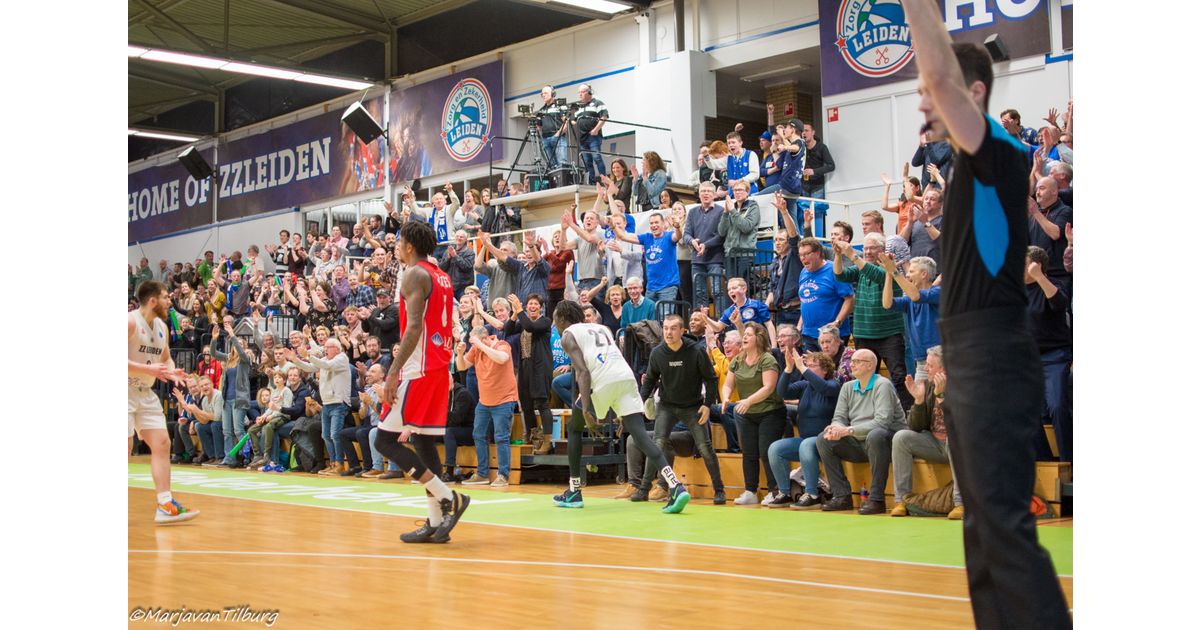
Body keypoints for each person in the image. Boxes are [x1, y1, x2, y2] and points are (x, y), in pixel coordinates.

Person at [901, 2, 1072, 624]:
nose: (923, 100)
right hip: (972, 356)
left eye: (929, 89)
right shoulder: (969, 171)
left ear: (970, 93)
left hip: (994, 354)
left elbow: (943, 77)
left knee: (1001, 524)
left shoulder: (997, 151)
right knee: (981, 527)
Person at [374, 221, 471, 544]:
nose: (396, 248)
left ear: (409, 246)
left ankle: (448, 497)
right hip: (438, 366)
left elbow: (414, 327)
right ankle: (435, 521)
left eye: (399, 243)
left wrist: (392, 372)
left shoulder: (414, 273)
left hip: (419, 368)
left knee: (384, 441)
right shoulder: (441, 275)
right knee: (424, 443)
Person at [553, 300, 690, 513]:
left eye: (555, 320)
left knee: (574, 429)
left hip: (602, 379)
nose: (555, 325)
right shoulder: (602, 327)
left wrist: (586, 409)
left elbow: (583, 372)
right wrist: (618, 409)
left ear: (562, 319)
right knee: (642, 437)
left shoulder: (568, 335)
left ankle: (574, 491)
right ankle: (675, 486)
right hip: (625, 377)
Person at [128, 280, 199, 524]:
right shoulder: (130, 322)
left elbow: (165, 358)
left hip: (145, 391)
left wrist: (171, 371)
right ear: (152, 301)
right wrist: (147, 369)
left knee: (161, 443)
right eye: (166, 297)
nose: (170, 302)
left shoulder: (161, 326)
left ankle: (165, 504)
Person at [637, 314, 726, 504]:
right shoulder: (658, 353)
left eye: (673, 328)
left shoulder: (696, 350)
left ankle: (719, 490)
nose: (668, 332)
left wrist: (707, 405)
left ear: (682, 331)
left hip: (693, 406)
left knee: (705, 447)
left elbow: (711, 379)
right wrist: (638, 403)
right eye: (665, 328)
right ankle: (643, 489)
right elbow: (650, 380)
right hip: (667, 406)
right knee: (657, 444)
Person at [815, 349, 907, 514]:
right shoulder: (847, 387)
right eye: (852, 361)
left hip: (887, 442)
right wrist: (835, 428)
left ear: (870, 365)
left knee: (876, 435)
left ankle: (877, 499)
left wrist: (848, 430)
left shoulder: (883, 385)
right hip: (860, 441)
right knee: (824, 439)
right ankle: (841, 496)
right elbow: (839, 417)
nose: (852, 364)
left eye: (857, 361)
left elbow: (882, 422)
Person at [832, 235, 912, 409]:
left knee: (899, 377)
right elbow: (839, 275)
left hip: (889, 333)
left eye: (872, 248)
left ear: (882, 250)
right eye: (865, 248)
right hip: (863, 333)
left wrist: (852, 255)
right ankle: (866, 414)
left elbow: (876, 274)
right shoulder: (861, 268)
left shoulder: (889, 269)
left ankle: (909, 414)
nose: (867, 252)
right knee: (864, 379)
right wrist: (838, 255)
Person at [889, 345, 963, 518]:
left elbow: (959, 425)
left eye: (930, 365)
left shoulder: (963, 386)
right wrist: (919, 401)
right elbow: (915, 427)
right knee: (901, 437)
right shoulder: (929, 386)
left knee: (954, 438)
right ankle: (902, 500)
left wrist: (941, 396)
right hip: (934, 444)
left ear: (943, 369)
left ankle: (960, 503)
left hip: (960, 446)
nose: (925, 369)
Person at [720, 321, 787, 506]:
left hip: (771, 412)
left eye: (748, 335)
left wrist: (748, 401)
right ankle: (750, 491)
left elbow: (769, 387)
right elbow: (728, 384)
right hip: (746, 413)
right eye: (744, 335)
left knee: (766, 452)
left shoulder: (767, 359)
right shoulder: (738, 360)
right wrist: (725, 398)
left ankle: (775, 491)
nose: (744, 337)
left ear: (759, 338)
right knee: (748, 452)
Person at [765, 347, 840, 508]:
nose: (807, 368)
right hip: (805, 440)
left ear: (825, 370)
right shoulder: (804, 386)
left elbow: (823, 387)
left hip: (826, 440)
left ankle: (812, 494)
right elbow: (782, 392)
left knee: (806, 445)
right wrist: (788, 368)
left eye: (813, 365)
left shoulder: (833, 385)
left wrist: (802, 367)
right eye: (808, 365)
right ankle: (784, 493)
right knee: (775, 448)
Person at [1025, 246, 1072, 462]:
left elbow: (1059, 303)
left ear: (1037, 265)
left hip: (1054, 356)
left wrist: (1040, 277)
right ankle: (1047, 463)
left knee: (1057, 406)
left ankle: (1068, 461)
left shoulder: (1054, 284)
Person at [456, 326, 518, 487]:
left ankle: (503, 475)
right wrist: (460, 354)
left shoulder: (502, 344)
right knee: (478, 434)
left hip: (504, 400)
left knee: (501, 437)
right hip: (484, 401)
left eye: (474, 341)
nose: (472, 345)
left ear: (484, 338)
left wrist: (480, 345)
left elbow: (502, 359)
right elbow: (462, 367)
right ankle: (482, 474)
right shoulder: (476, 349)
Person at [881, 254, 941, 381]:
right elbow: (887, 304)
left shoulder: (938, 292)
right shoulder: (909, 299)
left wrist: (894, 271)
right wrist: (889, 274)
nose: (907, 275)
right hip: (921, 363)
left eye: (911, 271)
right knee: (920, 395)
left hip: (940, 361)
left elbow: (916, 296)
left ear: (924, 274)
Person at [611, 210, 683, 305]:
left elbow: (678, 236)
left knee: (665, 313)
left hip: (668, 286)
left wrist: (677, 226)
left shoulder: (668, 236)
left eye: (656, 222)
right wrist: (613, 226)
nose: (654, 225)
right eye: (651, 223)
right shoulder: (647, 237)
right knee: (649, 314)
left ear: (663, 224)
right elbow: (623, 236)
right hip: (651, 287)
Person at [797, 236, 855, 352]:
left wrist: (837, 322)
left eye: (807, 254)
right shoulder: (803, 272)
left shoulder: (833, 269)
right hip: (808, 334)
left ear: (818, 253)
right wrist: (799, 326)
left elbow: (850, 298)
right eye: (801, 255)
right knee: (811, 364)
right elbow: (806, 300)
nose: (803, 258)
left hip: (831, 335)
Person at [683, 182, 726, 311]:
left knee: (717, 291)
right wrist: (692, 241)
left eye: (708, 191)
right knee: (699, 293)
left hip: (715, 259)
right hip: (697, 260)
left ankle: (721, 320)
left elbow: (721, 235)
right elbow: (686, 234)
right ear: (699, 194)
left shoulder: (721, 211)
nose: (706, 194)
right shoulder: (692, 212)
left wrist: (705, 245)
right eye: (703, 191)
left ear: (714, 194)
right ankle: (702, 321)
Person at [718, 180, 761, 283]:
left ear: (747, 192)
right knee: (731, 285)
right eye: (735, 190)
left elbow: (746, 227)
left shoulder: (753, 207)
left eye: (740, 190)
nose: (737, 192)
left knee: (742, 284)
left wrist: (733, 211)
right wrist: (725, 213)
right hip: (730, 253)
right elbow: (721, 232)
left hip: (745, 253)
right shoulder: (731, 207)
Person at [572, 83, 608, 184]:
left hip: (593, 137)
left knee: (597, 158)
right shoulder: (579, 107)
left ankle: (605, 180)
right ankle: (591, 183)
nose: (580, 94)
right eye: (579, 93)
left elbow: (604, 117)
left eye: (582, 92)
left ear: (589, 92)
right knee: (587, 161)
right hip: (582, 138)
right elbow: (573, 120)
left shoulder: (597, 103)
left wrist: (596, 129)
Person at [536, 85, 569, 169]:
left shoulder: (560, 106)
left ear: (553, 94)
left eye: (546, 93)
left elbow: (566, 123)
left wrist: (557, 134)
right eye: (542, 94)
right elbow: (538, 126)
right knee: (551, 166)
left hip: (558, 138)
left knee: (561, 164)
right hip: (545, 139)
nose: (543, 95)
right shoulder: (541, 110)